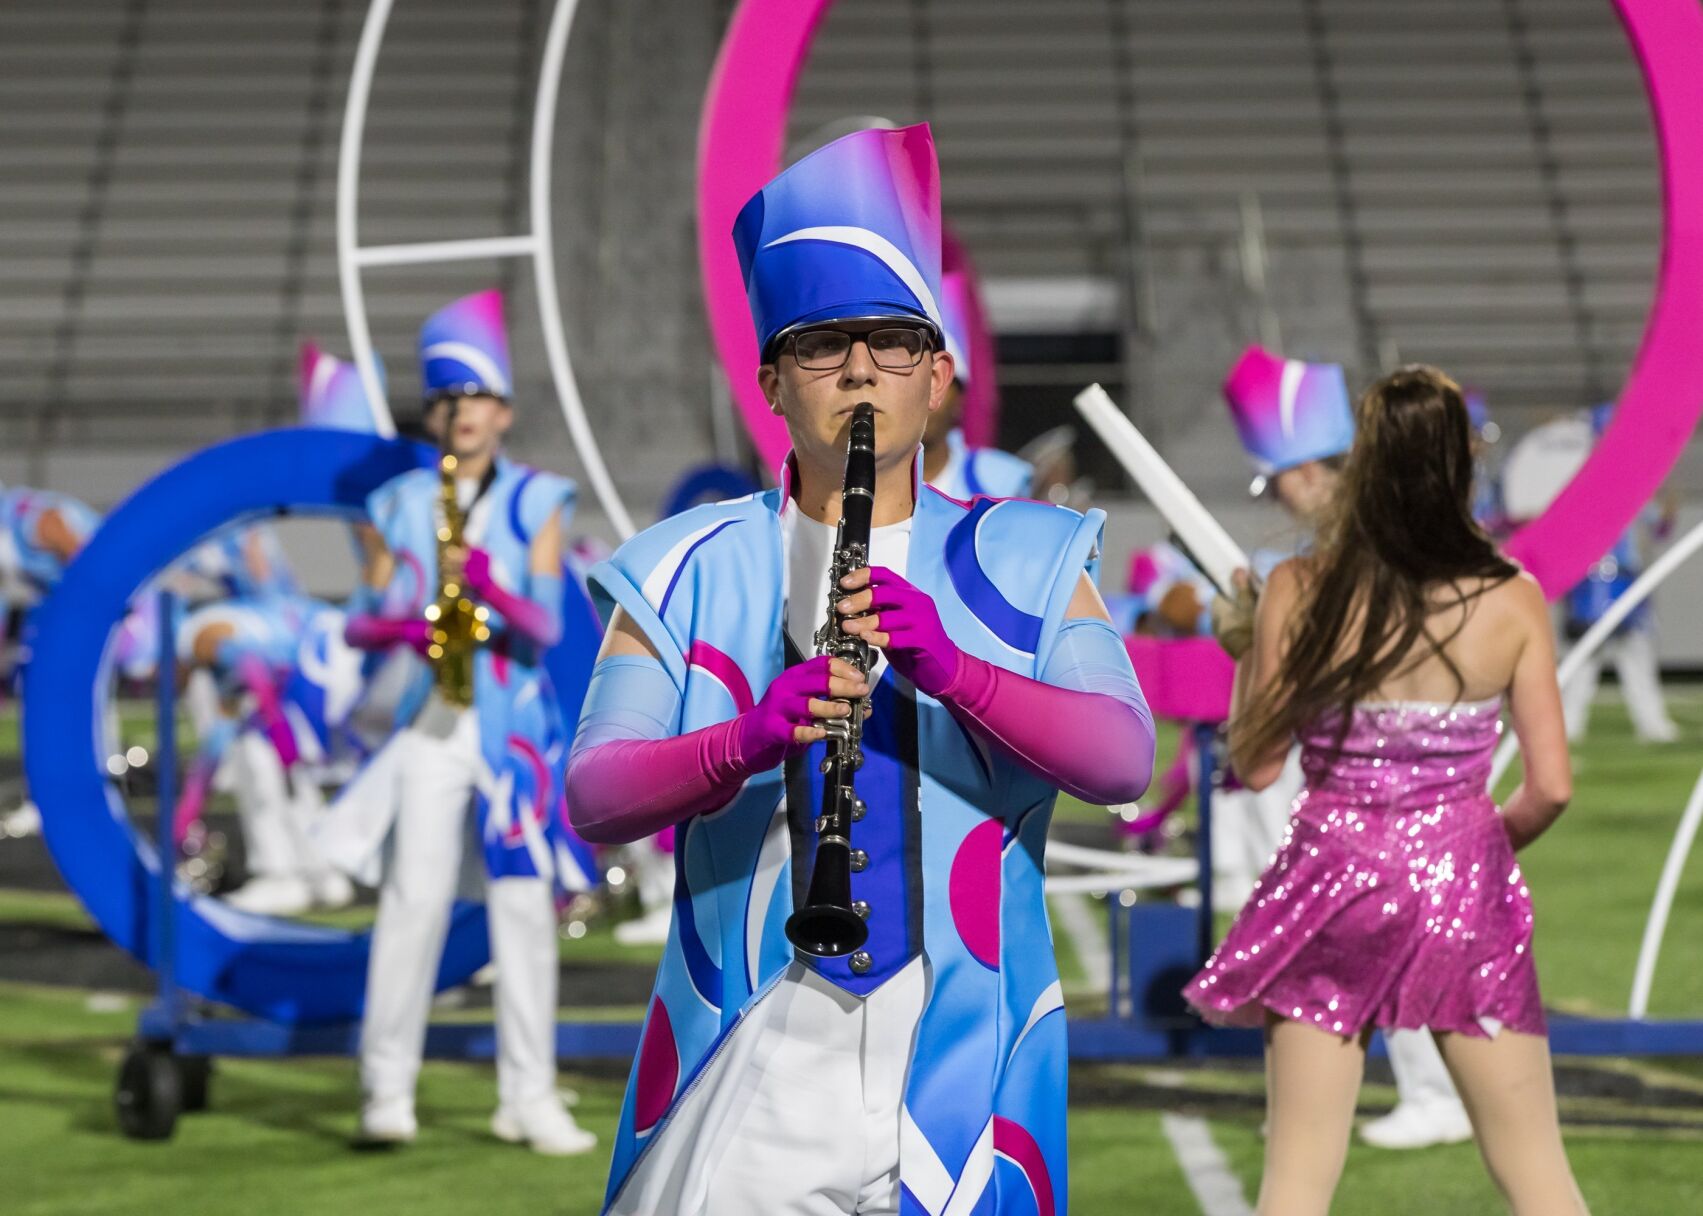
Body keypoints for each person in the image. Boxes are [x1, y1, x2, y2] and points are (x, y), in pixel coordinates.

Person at [568, 123, 1155, 1215]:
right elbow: (595, 795)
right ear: (771, 381)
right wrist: (747, 737)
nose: (856, 369)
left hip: (970, 1058)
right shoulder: (690, 563)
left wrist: (954, 669)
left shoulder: (1027, 554)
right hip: (749, 1049)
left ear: (938, 376)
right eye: (819, 344)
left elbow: (1122, 759)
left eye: (891, 342)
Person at [1187, 365, 1586, 1216]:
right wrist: (1467, 851)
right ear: (1462, 467)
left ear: (1361, 460)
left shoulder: (1298, 586)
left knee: (1293, 1184)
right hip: (1462, 890)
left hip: (1330, 882)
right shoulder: (1513, 598)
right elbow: (1550, 786)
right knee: (1541, 1183)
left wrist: (1246, 647)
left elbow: (1253, 766)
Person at [334, 291, 596, 1154]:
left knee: (523, 910)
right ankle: (385, 1088)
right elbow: (360, 620)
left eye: (475, 397)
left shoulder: (540, 499)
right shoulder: (400, 503)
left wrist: (488, 582)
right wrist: (404, 625)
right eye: (446, 400)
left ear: (504, 410)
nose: (460, 414)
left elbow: (547, 627)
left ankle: (528, 1095)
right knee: (412, 903)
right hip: (431, 719)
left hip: (515, 732)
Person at [1215, 344, 1472, 1151]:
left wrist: (1257, 640)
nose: (1284, 498)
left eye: (1284, 478)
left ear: (1309, 470)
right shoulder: (1322, 560)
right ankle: (1325, 1102)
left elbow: (1262, 732)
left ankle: (1431, 1092)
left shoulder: (1367, 553)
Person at [1560, 404, 1679, 745]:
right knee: (1583, 658)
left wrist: (1664, 491)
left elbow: (1657, 526)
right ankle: (1569, 723)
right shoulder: (1581, 481)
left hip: (1625, 580)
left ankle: (1652, 721)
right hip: (1591, 581)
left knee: (1636, 654)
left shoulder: (1634, 478)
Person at [922, 270, 1033, 501]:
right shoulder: (852, 482)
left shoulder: (1006, 482)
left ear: (960, 399)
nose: (925, 397)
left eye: (937, 381)